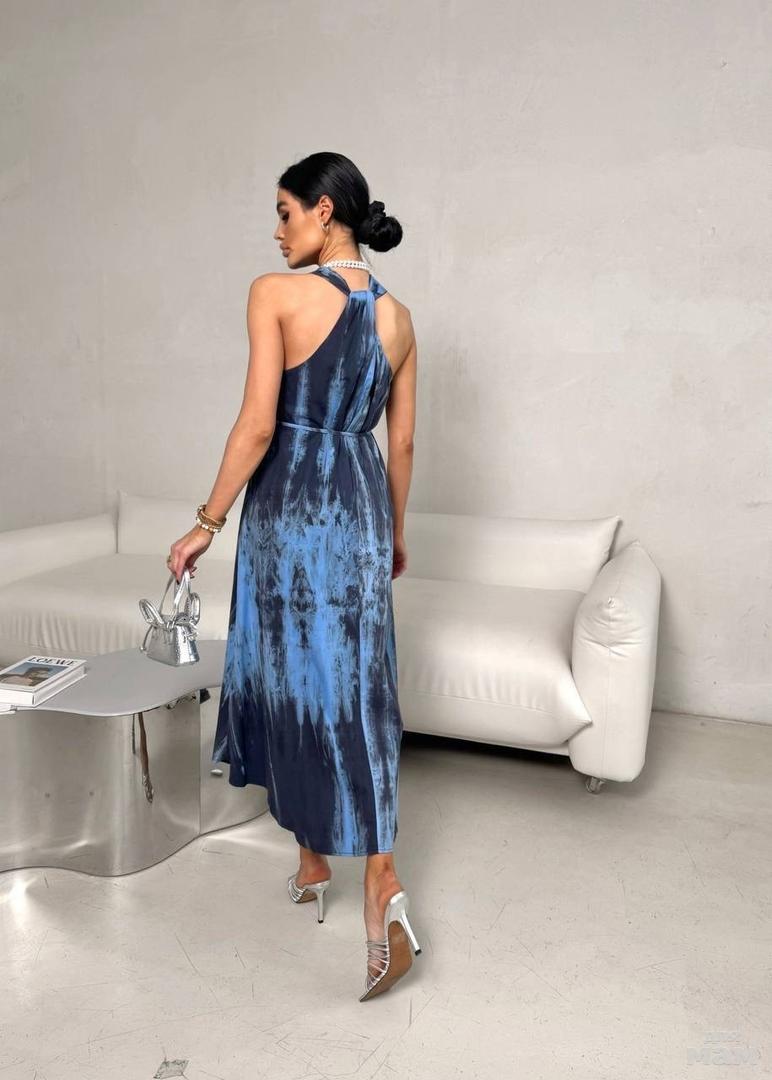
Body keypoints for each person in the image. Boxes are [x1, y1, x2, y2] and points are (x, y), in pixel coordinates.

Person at [166, 152, 419, 1001]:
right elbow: (403, 444)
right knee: (357, 688)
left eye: (284, 212)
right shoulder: (401, 319)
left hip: (290, 511)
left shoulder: (274, 294)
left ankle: (338, 867)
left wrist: (206, 522)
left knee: (290, 678)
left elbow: (257, 424)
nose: (277, 232)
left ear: (323, 211)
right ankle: (354, 872)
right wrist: (394, 531)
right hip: (360, 509)